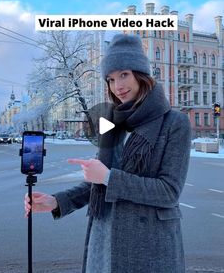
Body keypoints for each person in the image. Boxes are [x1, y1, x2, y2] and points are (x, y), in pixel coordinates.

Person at [24, 34, 191, 273]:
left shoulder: (174, 123)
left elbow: (169, 192)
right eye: (110, 79)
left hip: (150, 247)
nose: (117, 86)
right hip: (104, 243)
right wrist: (56, 202)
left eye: (124, 74)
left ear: (140, 74)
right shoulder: (112, 122)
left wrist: (108, 177)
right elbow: (98, 183)